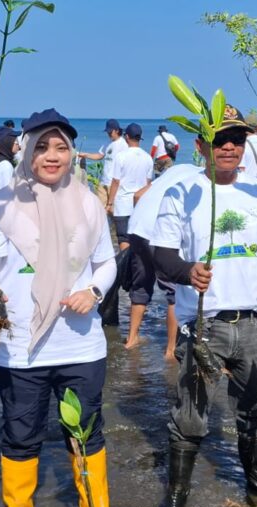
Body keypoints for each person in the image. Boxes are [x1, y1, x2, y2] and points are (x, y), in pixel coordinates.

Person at [0, 109, 128, 507]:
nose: (51, 156)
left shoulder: (90, 203)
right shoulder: (0, 203)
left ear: (72, 153)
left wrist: (93, 293)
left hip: (80, 346)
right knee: (20, 436)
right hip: (19, 345)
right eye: (41, 146)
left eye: (60, 147)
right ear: (26, 151)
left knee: (86, 433)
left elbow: (106, 264)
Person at [152, 111, 257, 507]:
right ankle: (178, 493)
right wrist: (188, 272)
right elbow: (161, 256)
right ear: (201, 147)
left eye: (236, 139)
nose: (230, 147)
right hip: (203, 326)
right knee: (190, 414)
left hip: (254, 323)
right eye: (220, 140)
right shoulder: (182, 193)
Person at [126, 163, 201, 362]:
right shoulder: (201, 180)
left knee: (140, 286)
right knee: (174, 293)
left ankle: (131, 338)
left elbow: (138, 195)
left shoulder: (175, 170)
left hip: (137, 229)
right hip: (158, 235)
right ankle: (170, 351)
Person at [107, 123, 155, 348]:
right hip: (139, 207)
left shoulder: (122, 155)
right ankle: (132, 279)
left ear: (127, 137)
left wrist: (109, 201)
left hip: (123, 205)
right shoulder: (147, 158)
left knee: (123, 242)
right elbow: (148, 184)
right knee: (135, 245)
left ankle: (125, 279)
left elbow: (115, 181)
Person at [78, 119, 127, 206]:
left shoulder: (123, 144)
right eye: (107, 132)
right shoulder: (107, 143)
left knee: (113, 212)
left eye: (110, 132)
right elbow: (100, 155)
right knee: (100, 210)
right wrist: (85, 155)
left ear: (117, 130)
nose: (108, 134)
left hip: (114, 184)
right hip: (103, 182)